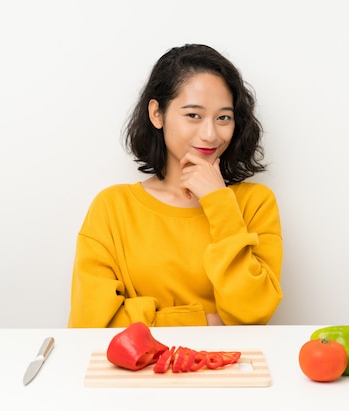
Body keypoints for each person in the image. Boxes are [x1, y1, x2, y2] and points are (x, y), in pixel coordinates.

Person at [68, 44, 283, 328]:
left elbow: (255, 312)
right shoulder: (112, 207)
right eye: (193, 115)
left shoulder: (255, 203)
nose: (210, 134)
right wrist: (203, 321)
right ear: (157, 113)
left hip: (227, 368)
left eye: (223, 118)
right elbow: (90, 326)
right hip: (139, 371)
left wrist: (219, 202)